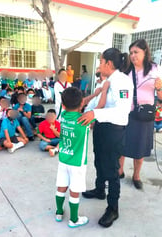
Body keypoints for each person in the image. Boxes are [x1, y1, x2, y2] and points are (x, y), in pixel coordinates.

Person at [79, 48, 133, 228]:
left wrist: (94, 113)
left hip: (114, 130)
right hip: (101, 127)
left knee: (112, 169)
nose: (99, 65)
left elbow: (122, 111)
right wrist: (88, 112)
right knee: (99, 161)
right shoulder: (107, 81)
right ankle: (100, 189)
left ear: (109, 63)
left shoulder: (122, 81)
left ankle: (113, 208)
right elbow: (96, 103)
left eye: (101, 61)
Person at [118, 39, 162, 189]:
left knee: (140, 147)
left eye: (136, 52)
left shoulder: (155, 69)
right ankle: (119, 171)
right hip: (126, 112)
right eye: (131, 53)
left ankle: (136, 176)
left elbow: (161, 97)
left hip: (145, 115)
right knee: (121, 144)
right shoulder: (126, 70)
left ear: (145, 52)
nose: (133, 55)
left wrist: (159, 89)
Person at [55, 87, 94, 228]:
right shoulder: (84, 121)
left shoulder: (63, 115)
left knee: (61, 186)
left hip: (63, 159)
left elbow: (78, 103)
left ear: (63, 105)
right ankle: (74, 219)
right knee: (74, 191)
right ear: (82, 103)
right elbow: (98, 109)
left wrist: (93, 95)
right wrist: (98, 93)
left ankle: (59, 213)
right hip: (77, 163)